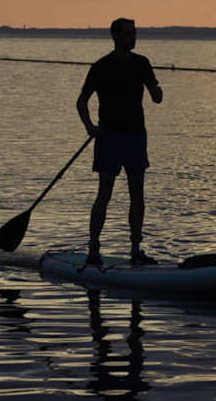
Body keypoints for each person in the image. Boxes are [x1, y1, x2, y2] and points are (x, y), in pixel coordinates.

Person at [76, 18, 163, 266]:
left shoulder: (142, 63)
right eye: (128, 34)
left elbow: (155, 94)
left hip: (136, 137)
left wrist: (157, 92)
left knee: (137, 194)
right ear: (116, 36)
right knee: (104, 194)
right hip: (109, 138)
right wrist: (90, 127)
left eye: (134, 33)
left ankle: (136, 250)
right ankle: (93, 249)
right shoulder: (101, 67)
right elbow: (82, 101)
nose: (133, 38)